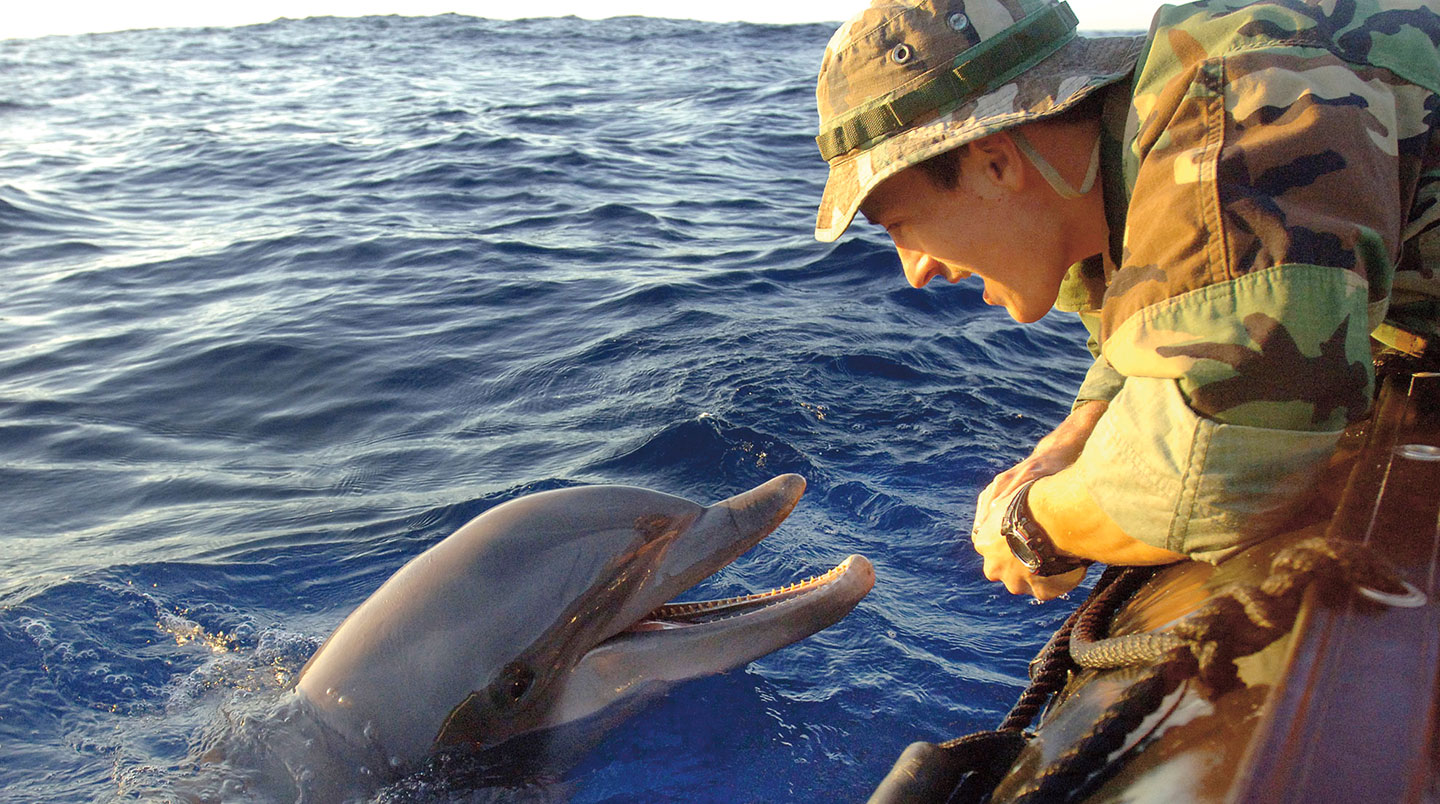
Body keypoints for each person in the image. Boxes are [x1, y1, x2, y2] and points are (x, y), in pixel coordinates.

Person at [812, 0, 1440, 599]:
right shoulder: (1122, 175)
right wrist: (1078, 431)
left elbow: (1221, 470)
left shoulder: (1234, 113)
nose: (915, 272)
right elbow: (1176, 316)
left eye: (898, 227)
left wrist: (1035, 527)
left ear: (995, 163)